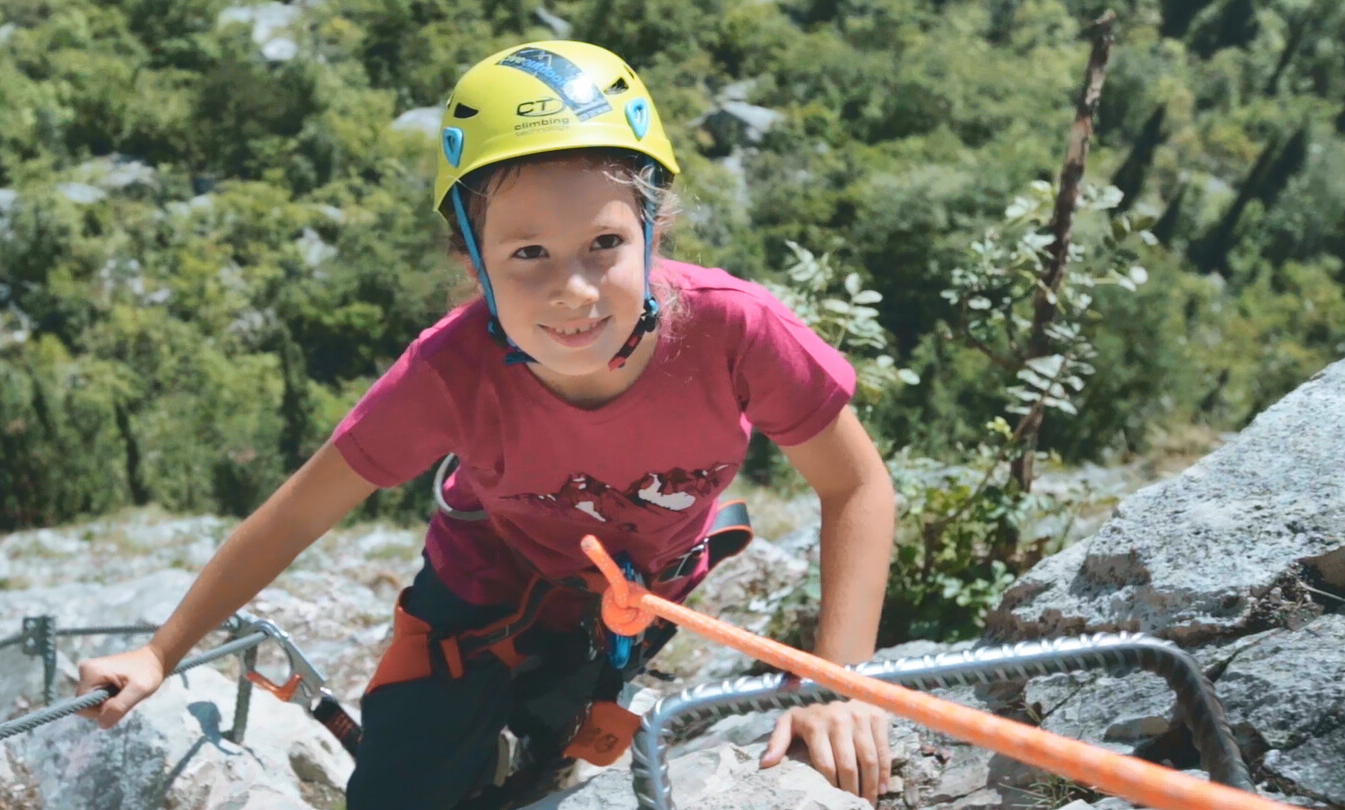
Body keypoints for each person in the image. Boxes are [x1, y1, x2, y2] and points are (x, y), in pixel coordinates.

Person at [77, 40, 897, 809]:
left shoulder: (732, 331)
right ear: (473, 258)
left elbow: (855, 485)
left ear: (654, 230)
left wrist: (836, 685)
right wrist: (160, 652)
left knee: (540, 763)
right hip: (476, 599)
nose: (573, 291)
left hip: (629, 600)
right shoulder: (448, 372)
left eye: (604, 243)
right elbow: (297, 513)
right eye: (528, 254)